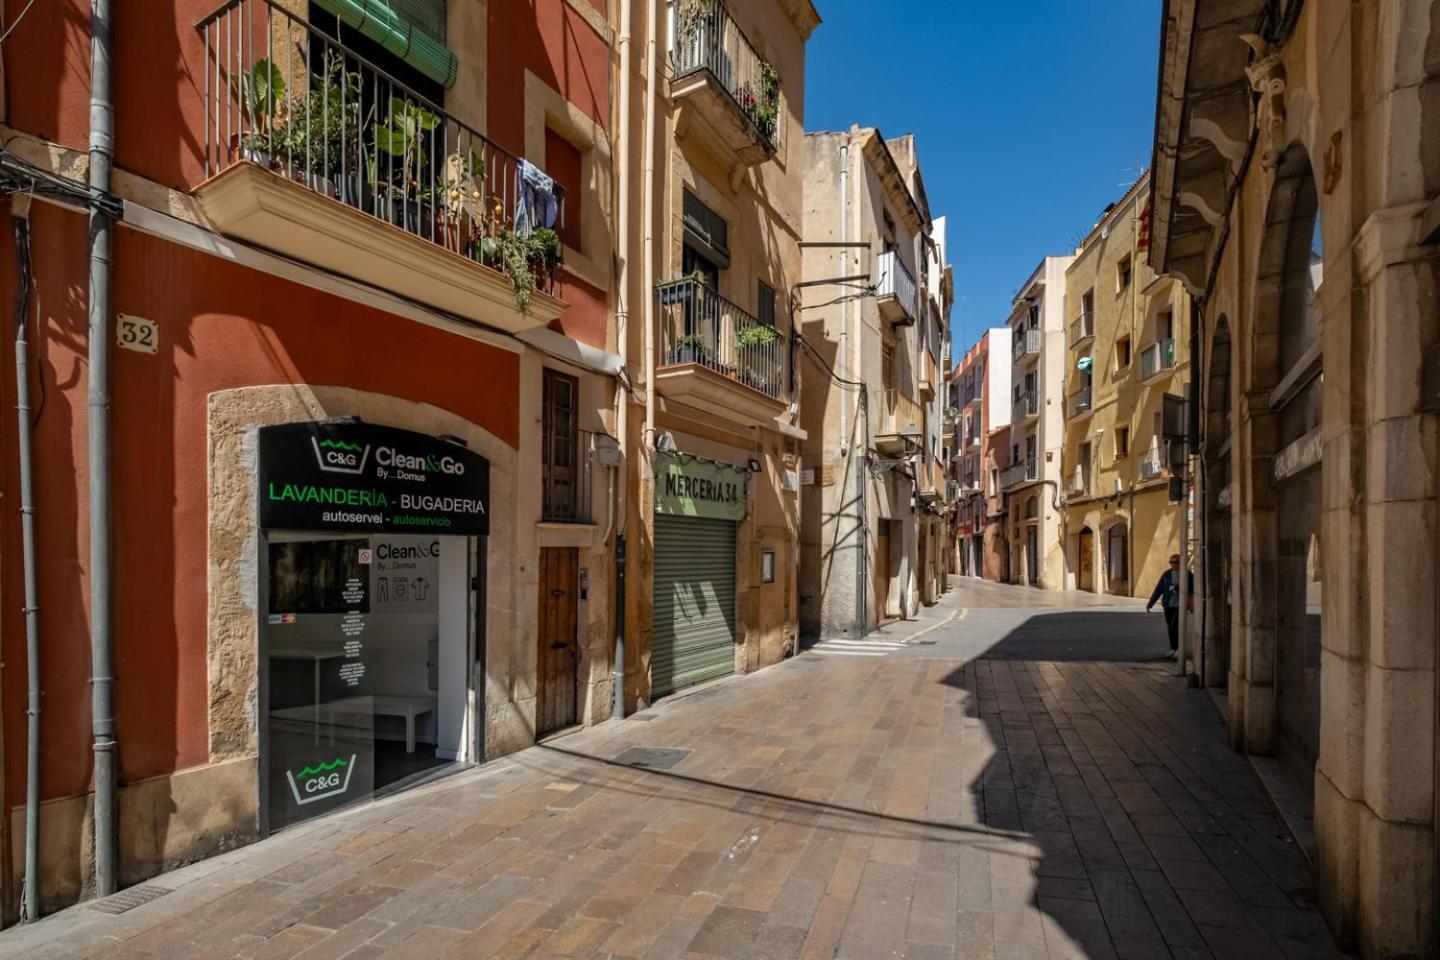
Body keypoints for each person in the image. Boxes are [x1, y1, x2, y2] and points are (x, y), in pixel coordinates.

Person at [1146, 554, 1189, 659]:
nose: (1173, 564)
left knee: (1175, 626)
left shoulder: (1187, 574)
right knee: (1170, 627)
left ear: (1180, 563)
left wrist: (1179, 588)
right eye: (1171, 562)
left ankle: (1179, 649)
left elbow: (1192, 588)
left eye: (1175, 562)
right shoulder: (1167, 574)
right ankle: (1173, 648)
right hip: (1168, 604)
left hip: (1180, 605)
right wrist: (1151, 603)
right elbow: (1159, 589)